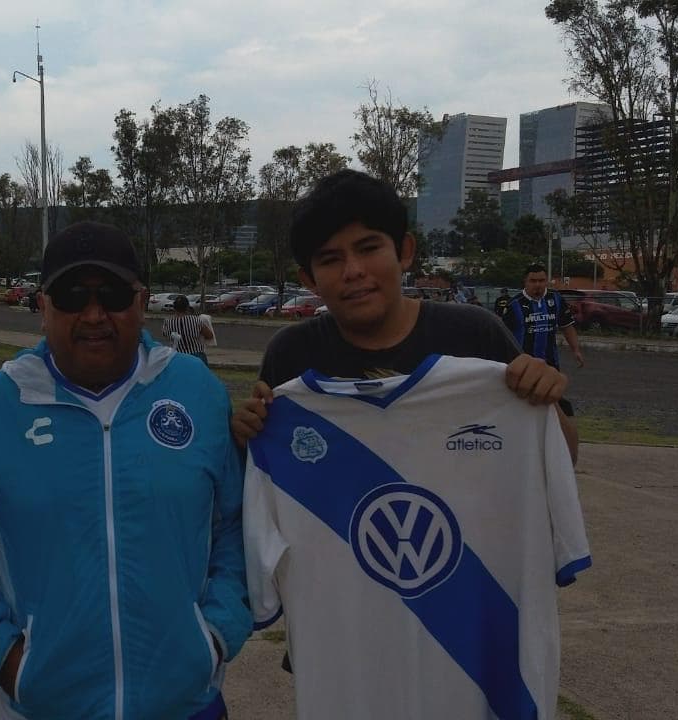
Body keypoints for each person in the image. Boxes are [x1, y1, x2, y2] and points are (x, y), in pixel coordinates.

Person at [230, 169, 582, 715]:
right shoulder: (291, 356)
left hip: (471, 641)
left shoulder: (476, 336)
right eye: (330, 259)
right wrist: (247, 435)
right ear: (309, 277)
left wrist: (547, 404)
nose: (353, 272)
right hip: (348, 645)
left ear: (406, 251)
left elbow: (554, 463)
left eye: (369, 248)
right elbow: (265, 487)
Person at [0, 221, 250, 720]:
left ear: (142, 302)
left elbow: (233, 522)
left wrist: (216, 633)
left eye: (114, 295)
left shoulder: (197, 390)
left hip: (188, 705)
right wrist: (4, 655)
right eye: (73, 296)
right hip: (43, 706)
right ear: (43, 307)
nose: (94, 314)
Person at [500, 263, 585, 417]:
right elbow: (503, 336)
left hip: (550, 364)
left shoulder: (556, 299)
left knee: (551, 403)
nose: (537, 285)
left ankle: (553, 434)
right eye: (533, 281)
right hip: (523, 365)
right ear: (525, 282)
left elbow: (567, 326)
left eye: (541, 280)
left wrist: (576, 350)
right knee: (524, 404)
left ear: (547, 281)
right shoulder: (514, 305)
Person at [162, 295, 215, 365]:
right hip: (197, 356)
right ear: (187, 307)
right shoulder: (196, 320)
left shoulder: (167, 322)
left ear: (174, 308)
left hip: (178, 357)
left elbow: (166, 336)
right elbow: (209, 335)